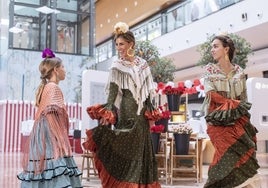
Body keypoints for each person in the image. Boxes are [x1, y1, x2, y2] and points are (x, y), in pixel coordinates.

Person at [83, 22, 161, 187]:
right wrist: (108, 110)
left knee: (141, 150)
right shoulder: (116, 65)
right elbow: (112, 91)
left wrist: (150, 111)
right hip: (126, 111)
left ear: (130, 44)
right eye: (116, 44)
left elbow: (147, 91)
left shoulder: (143, 64)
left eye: (121, 44)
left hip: (141, 114)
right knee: (126, 149)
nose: (118, 48)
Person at [17, 48, 82, 188]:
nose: (65, 70)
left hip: (42, 133)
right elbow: (51, 114)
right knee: (54, 163)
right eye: (63, 67)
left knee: (46, 165)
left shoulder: (47, 87)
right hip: (49, 134)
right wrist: (59, 140)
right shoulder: (53, 87)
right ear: (56, 70)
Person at [202, 35, 260, 188]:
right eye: (211, 46)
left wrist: (247, 120)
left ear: (226, 49)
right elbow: (210, 93)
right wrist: (228, 103)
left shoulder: (239, 71)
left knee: (247, 147)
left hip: (237, 118)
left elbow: (243, 98)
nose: (212, 50)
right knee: (224, 154)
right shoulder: (209, 69)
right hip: (217, 119)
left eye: (215, 46)